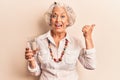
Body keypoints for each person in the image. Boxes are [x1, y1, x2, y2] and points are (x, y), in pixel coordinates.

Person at [25, 2, 96, 80]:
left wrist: (88, 38)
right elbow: (35, 72)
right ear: (50, 19)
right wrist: (31, 60)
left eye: (62, 16)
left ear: (68, 21)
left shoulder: (76, 42)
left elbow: (90, 65)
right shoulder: (39, 41)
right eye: (54, 16)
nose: (58, 20)